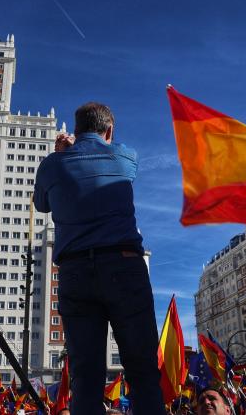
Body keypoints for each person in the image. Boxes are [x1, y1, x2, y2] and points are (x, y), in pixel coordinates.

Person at [34, 102, 165, 415]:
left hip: (75, 272)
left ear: (76, 132)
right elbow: (120, 162)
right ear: (109, 131)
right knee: (142, 371)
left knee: (85, 376)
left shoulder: (53, 164)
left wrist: (63, 154)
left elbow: (41, 205)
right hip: (123, 265)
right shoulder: (123, 156)